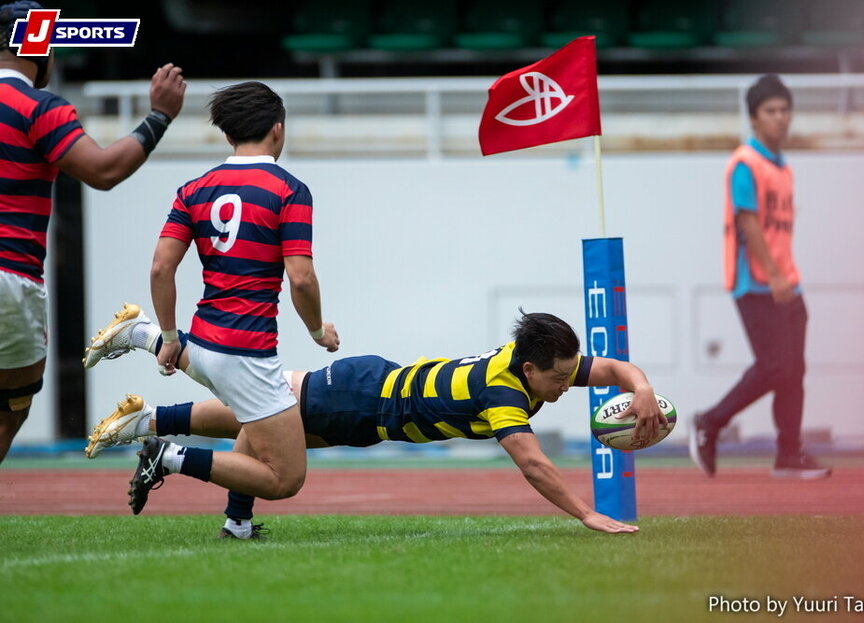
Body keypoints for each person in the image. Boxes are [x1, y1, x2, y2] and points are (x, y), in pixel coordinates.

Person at [84, 310, 667, 537]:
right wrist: (588, 514)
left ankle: (150, 424)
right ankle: (147, 350)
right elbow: (534, 464)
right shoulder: (503, 393)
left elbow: (612, 365)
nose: (570, 385)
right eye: (563, 377)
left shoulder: (532, 366)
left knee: (255, 418)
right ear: (534, 367)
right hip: (361, 402)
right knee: (268, 446)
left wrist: (638, 387)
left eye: (572, 374)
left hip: (372, 396)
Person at [81, 81, 341, 517]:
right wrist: (318, 331)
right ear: (278, 130)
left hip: (203, 343)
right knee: (285, 477)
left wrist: (168, 334)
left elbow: (161, 268)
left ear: (227, 135)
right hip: (246, 353)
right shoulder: (289, 190)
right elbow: (301, 278)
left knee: (256, 423)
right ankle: (169, 456)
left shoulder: (195, 188)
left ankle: (144, 334)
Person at [0, 0, 186, 463]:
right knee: (9, 408)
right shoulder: (38, 107)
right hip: (9, 277)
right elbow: (103, 171)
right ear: (39, 49)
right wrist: (159, 116)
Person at [689, 74, 830, 480]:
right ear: (754, 118)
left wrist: (786, 277)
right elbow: (749, 224)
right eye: (771, 111)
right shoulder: (744, 164)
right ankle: (710, 422)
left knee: (794, 370)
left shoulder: (783, 168)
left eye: (785, 110)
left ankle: (789, 453)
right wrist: (773, 275)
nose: (780, 118)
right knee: (773, 366)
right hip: (756, 282)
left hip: (788, 280)